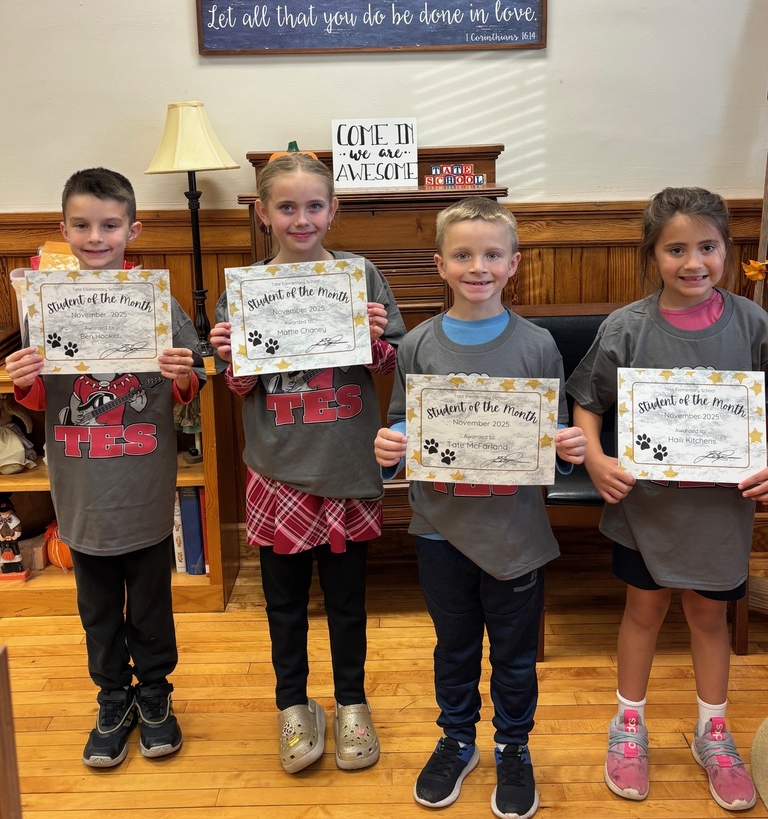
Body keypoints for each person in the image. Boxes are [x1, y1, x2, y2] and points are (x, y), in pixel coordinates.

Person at [373, 196, 586, 819]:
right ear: (440, 265)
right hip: (440, 531)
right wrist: (389, 449)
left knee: (515, 656)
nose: (478, 266)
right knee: (455, 647)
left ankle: (514, 747)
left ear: (513, 264)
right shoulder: (416, 347)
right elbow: (397, 431)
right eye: (463, 254)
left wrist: (568, 447)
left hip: (516, 534)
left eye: (492, 254)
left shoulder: (539, 346)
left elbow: (555, 438)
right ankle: (458, 739)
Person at [567, 186, 768, 812]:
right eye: (675, 249)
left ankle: (714, 731)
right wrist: (596, 459)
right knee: (644, 612)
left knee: (708, 618)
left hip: (720, 510)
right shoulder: (626, 328)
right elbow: (588, 401)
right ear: (651, 255)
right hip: (645, 507)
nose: (694, 263)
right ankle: (628, 725)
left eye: (708, 247)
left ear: (727, 251)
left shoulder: (755, 324)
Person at [209, 151, 405, 774]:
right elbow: (237, 387)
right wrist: (228, 352)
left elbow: (390, 363)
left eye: (313, 206)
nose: (301, 218)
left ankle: (352, 701)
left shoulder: (361, 274)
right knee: (284, 602)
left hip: (347, 463)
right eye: (286, 207)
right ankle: (292, 704)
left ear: (333, 210)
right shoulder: (241, 289)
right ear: (263, 214)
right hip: (277, 467)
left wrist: (375, 335)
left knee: (349, 601)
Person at [5, 168, 205, 768]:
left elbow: (190, 384)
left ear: (132, 230)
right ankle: (113, 697)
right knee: (95, 605)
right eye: (83, 224)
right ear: (63, 229)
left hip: (142, 479)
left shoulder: (156, 301)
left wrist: (182, 373)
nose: (97, 236)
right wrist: (23, 381)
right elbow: (40, 398)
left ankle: (157, 698)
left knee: (150, 600)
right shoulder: (45, 305)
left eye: (110, 224)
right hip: (80, 483)